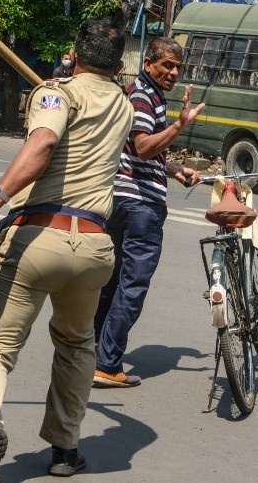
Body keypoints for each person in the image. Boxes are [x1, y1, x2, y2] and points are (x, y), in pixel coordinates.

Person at [0, 17, 134, 482]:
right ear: (118, 65)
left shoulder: (57, 93)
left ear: (73, 54)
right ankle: (65, 448)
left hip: (40, 236)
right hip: (95, 245)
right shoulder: (123, 104)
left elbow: (44, 141)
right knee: (77, 345)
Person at [93, 36, 205, 387]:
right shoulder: (143, 96)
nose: (172, 72)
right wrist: (178, 126)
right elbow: (142, 147)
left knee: (111, 282)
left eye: (177, 67)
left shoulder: (144, 94)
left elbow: (136, 149)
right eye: (167, 65)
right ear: (149, 64)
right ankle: (108, 364)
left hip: (122, 200)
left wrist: (173, 170)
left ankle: (95, 351)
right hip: (139, 205)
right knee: (132, 285)